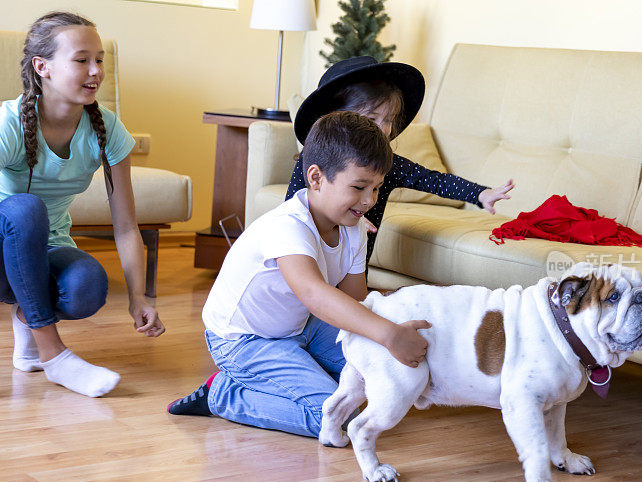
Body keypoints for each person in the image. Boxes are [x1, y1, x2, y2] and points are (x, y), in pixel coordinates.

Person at [167, 111, 431, 438]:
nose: (368, 201)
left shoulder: (355, 228)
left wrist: (386, 336)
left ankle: (293, 375)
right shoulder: (288, 226)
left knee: (371, 379)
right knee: (338, 421)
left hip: (301, 326)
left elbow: (354, 301)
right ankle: (223, 394)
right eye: (359, 187)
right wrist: (390, 335)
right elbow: (316, 295)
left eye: (376, 189)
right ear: (316, 178)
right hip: (243, 340)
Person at [0, 11, 165, 399]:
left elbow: (126, 227)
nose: (95, 71)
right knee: (26, 208)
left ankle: (28, 325)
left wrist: (139, 298)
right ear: (42, 67)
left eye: (100, 59)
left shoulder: (107, 130)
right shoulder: (6, 124)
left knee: (88, 286)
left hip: (43, 250)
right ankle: (53, 354)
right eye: (81, 60)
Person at [286, 56, 515, 260]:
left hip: (355, 262)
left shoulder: (385, 164)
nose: (383, 129)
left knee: (355, 297)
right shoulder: (315, 156)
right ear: (338, 115)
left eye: (389, 120)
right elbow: (294, 206)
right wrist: (345, 217)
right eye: (373, 118)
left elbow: (432, 179)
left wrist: (479, 193)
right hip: (312, 259)